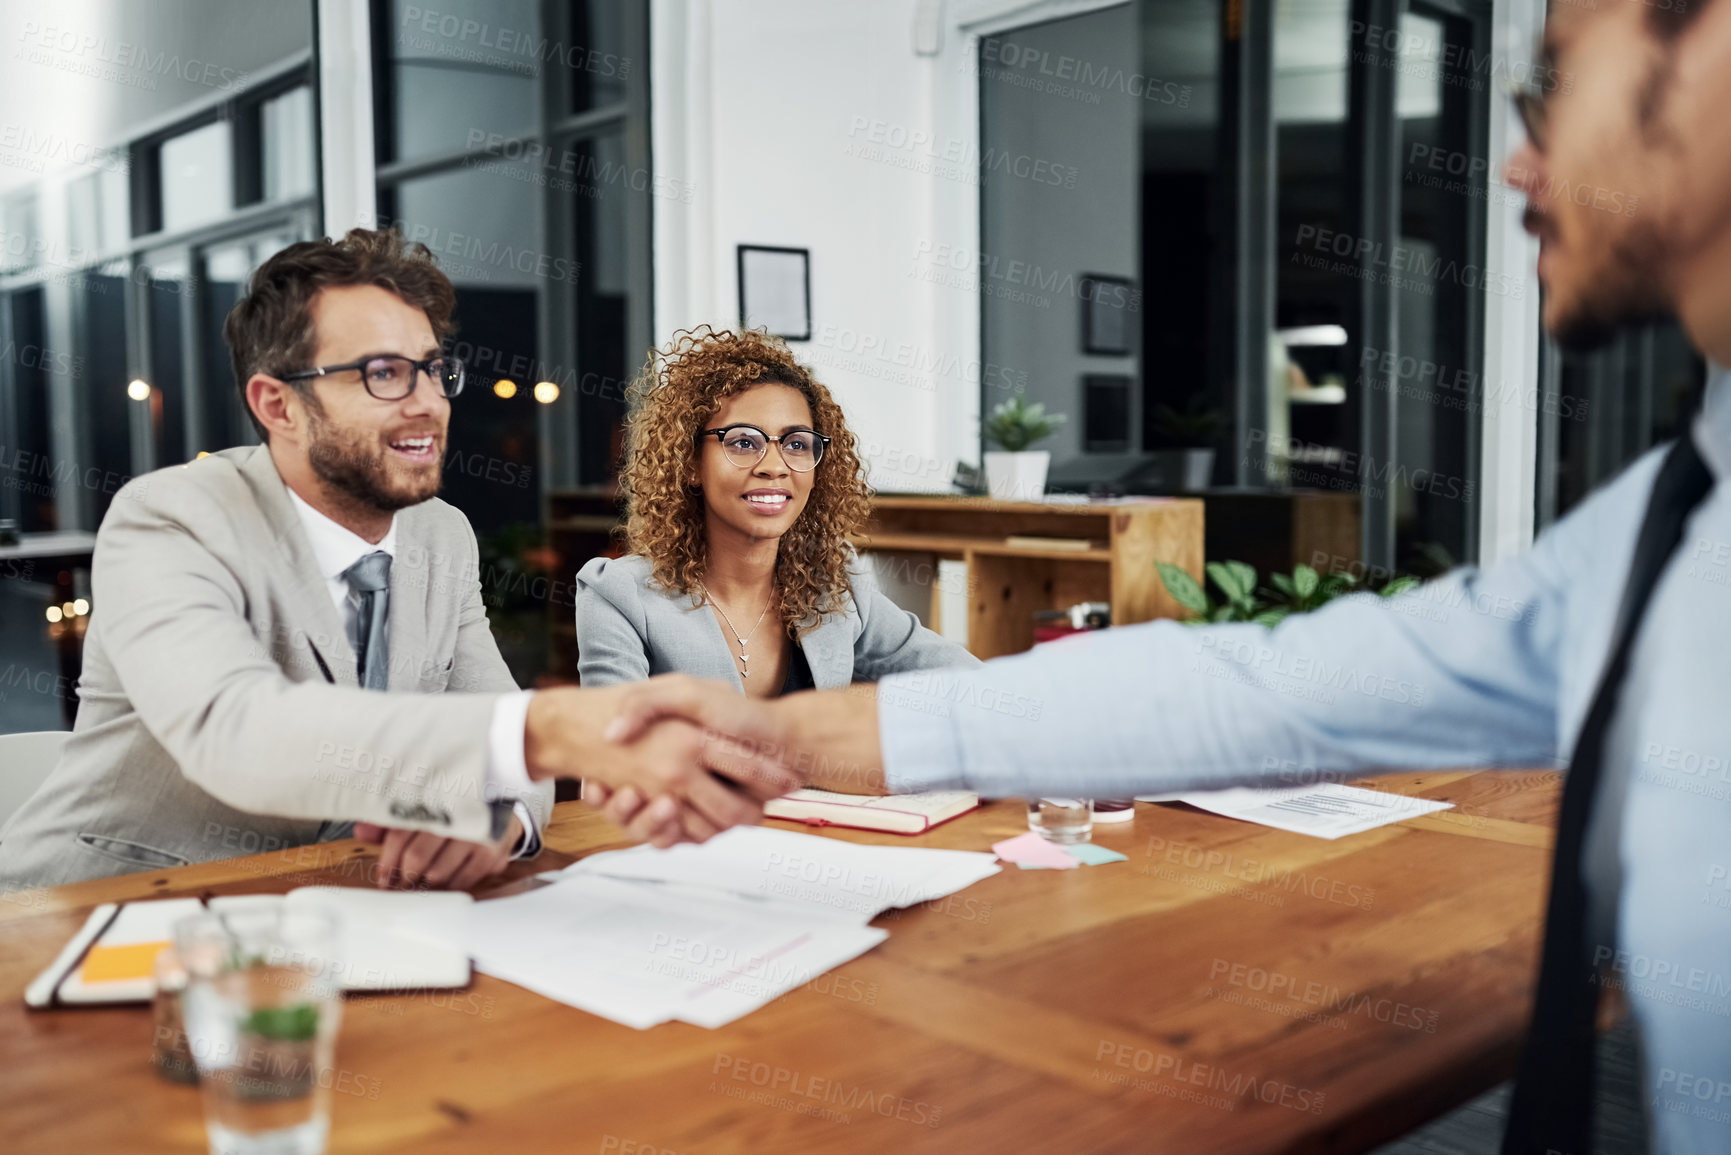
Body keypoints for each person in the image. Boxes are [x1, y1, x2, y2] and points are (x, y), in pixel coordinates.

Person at [597, 3, 1731, 1151]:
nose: (1517, 161)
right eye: (742, 441)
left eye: (1556, 83)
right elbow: (1270, 688)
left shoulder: (835, 592)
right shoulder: (1666, 519)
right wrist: (781, 740)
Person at [0, 229, 791, 893]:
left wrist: (501, 823)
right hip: (95, 919)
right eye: (382, 373)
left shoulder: (440, 533)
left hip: (341, 913)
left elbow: (509, 756)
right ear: (278, 404)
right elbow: (233, 730)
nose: (427, 401)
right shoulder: (169, 518)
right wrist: (543, 728)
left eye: (432, 368)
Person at [574, 327, 976, 703]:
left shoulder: (836, 588)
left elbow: (967, 683)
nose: (775, 465)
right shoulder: (618, 595)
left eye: (797, 444)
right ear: (690, 462)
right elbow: (614, 754)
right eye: (744, 442)